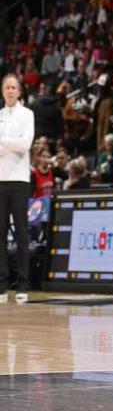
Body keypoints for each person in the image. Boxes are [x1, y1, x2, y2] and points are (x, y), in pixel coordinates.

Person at [0, 74, 34, 304]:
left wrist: (3, 141)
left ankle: (22, 284)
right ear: (3, 91)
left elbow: (25, 144)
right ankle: (2, 286)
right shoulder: (0, 115)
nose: (10, 91)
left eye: (14, 87)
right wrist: (12, 142)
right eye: (7, 87)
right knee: (0, 234)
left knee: (21, 233)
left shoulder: (27, 114)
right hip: (1, 180)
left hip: (20, 180)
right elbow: (17, 144)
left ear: (19, 91)